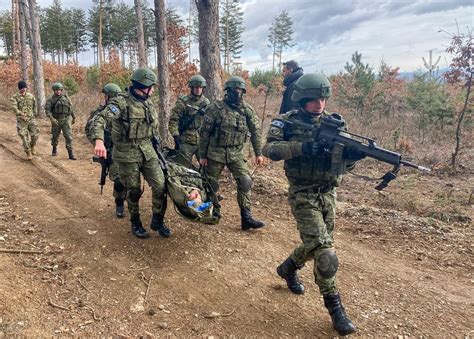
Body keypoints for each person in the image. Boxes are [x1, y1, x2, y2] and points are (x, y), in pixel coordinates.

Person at [263, 73, 363, 336]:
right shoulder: (287, 122)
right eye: (313, 99)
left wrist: (352, 158)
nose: (320, 104)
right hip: (303, 194)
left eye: (323, 98)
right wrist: (303, 148)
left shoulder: (335, 125)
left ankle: (287, 268)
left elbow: (344, 166)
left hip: (329, 195)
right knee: (326, 254)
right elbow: (270, 150)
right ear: (302, 99)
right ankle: (336, 310)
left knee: (315, 243)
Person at [90, 68, 170, 239]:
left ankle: (158, 219)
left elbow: (152, 129)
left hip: (148, 151)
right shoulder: (121, 102)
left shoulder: (147, 102)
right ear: (143, 85)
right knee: (133, 190)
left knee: (161, 186)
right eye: (151, 86)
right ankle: (136, 222)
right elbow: (100, 119)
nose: (153, 90)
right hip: (126, 153)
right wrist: (98, 140)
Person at [199, 75, 265, 231]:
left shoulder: (247, 110)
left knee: (245, 181)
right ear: (227, 91)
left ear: (243, 91)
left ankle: (246, 218)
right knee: (210, 183)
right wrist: (202, 156)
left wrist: (258, 153)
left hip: (236, 153)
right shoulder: (215, 108)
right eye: (233, 90)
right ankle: (212, 212)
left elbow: (255, 132)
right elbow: (204, 133)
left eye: (239, 90)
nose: (237, 93)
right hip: (215, 152)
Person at [85, 83, 127, 218]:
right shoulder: (100, 113)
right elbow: (90, 128)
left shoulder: (126, 109)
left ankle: (133, 203)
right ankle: (119, 203)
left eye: (107, 95)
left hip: (128, 149)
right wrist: (100, 142)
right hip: (112, 151)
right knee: (119, 179)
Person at [169, 74, 210, 168]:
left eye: (200, 87)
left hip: (201, 140)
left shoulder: (206, 102)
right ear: (191, 88)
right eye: (196, 87)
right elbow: (173, 120)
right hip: (186, 140)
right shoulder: (183, 102)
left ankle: (203, 182)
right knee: (183, 167)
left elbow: (210, 122)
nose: (198, 90)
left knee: (206, 167)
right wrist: (176, 135)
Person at [45, 82, 76, 160]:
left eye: (59, 90)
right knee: (55, 136)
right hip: (56, 120)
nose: (58, 91)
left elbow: (70, 108)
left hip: (66, 119)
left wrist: (73, 117)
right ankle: (54, 148)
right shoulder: (51, 99)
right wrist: (52, 119)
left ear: (61, 90)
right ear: (54, 91)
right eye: (56, 90)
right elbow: (48, 111)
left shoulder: (66, 98)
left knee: (68, 136)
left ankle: (70, 153)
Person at [10, 80, 39, 160]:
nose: (23, 89)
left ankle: (32, 146)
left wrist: (35, 113)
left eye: (24, 87)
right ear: (19, 88)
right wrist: (20, 113)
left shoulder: (30, 96)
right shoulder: (14, 97)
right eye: (22, 88)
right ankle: (28, 152)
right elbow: (13, 107)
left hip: (31, 118)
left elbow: (34, 105)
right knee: (24, 136)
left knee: (35, 135)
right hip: (21, 120)